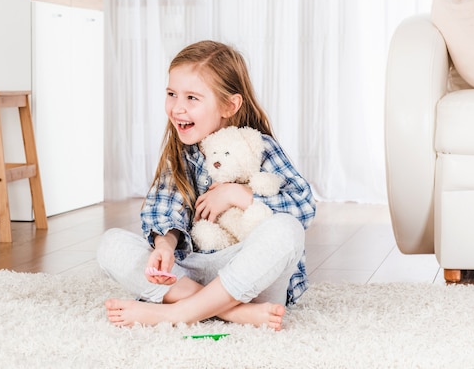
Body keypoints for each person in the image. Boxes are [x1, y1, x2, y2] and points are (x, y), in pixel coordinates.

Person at [97, 40, 316, 331]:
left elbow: (303, 206)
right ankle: (230, 312)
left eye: (192, 98)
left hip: (248, 276)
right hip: (192, 271)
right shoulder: (180, 152)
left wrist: (238, 195)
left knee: (286, 231)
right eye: (172, 94)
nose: (177, 108)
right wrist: (164, 246)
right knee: (111, 245)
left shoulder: (258, 146)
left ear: (229, 105)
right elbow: (163, 209)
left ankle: (172, 314)